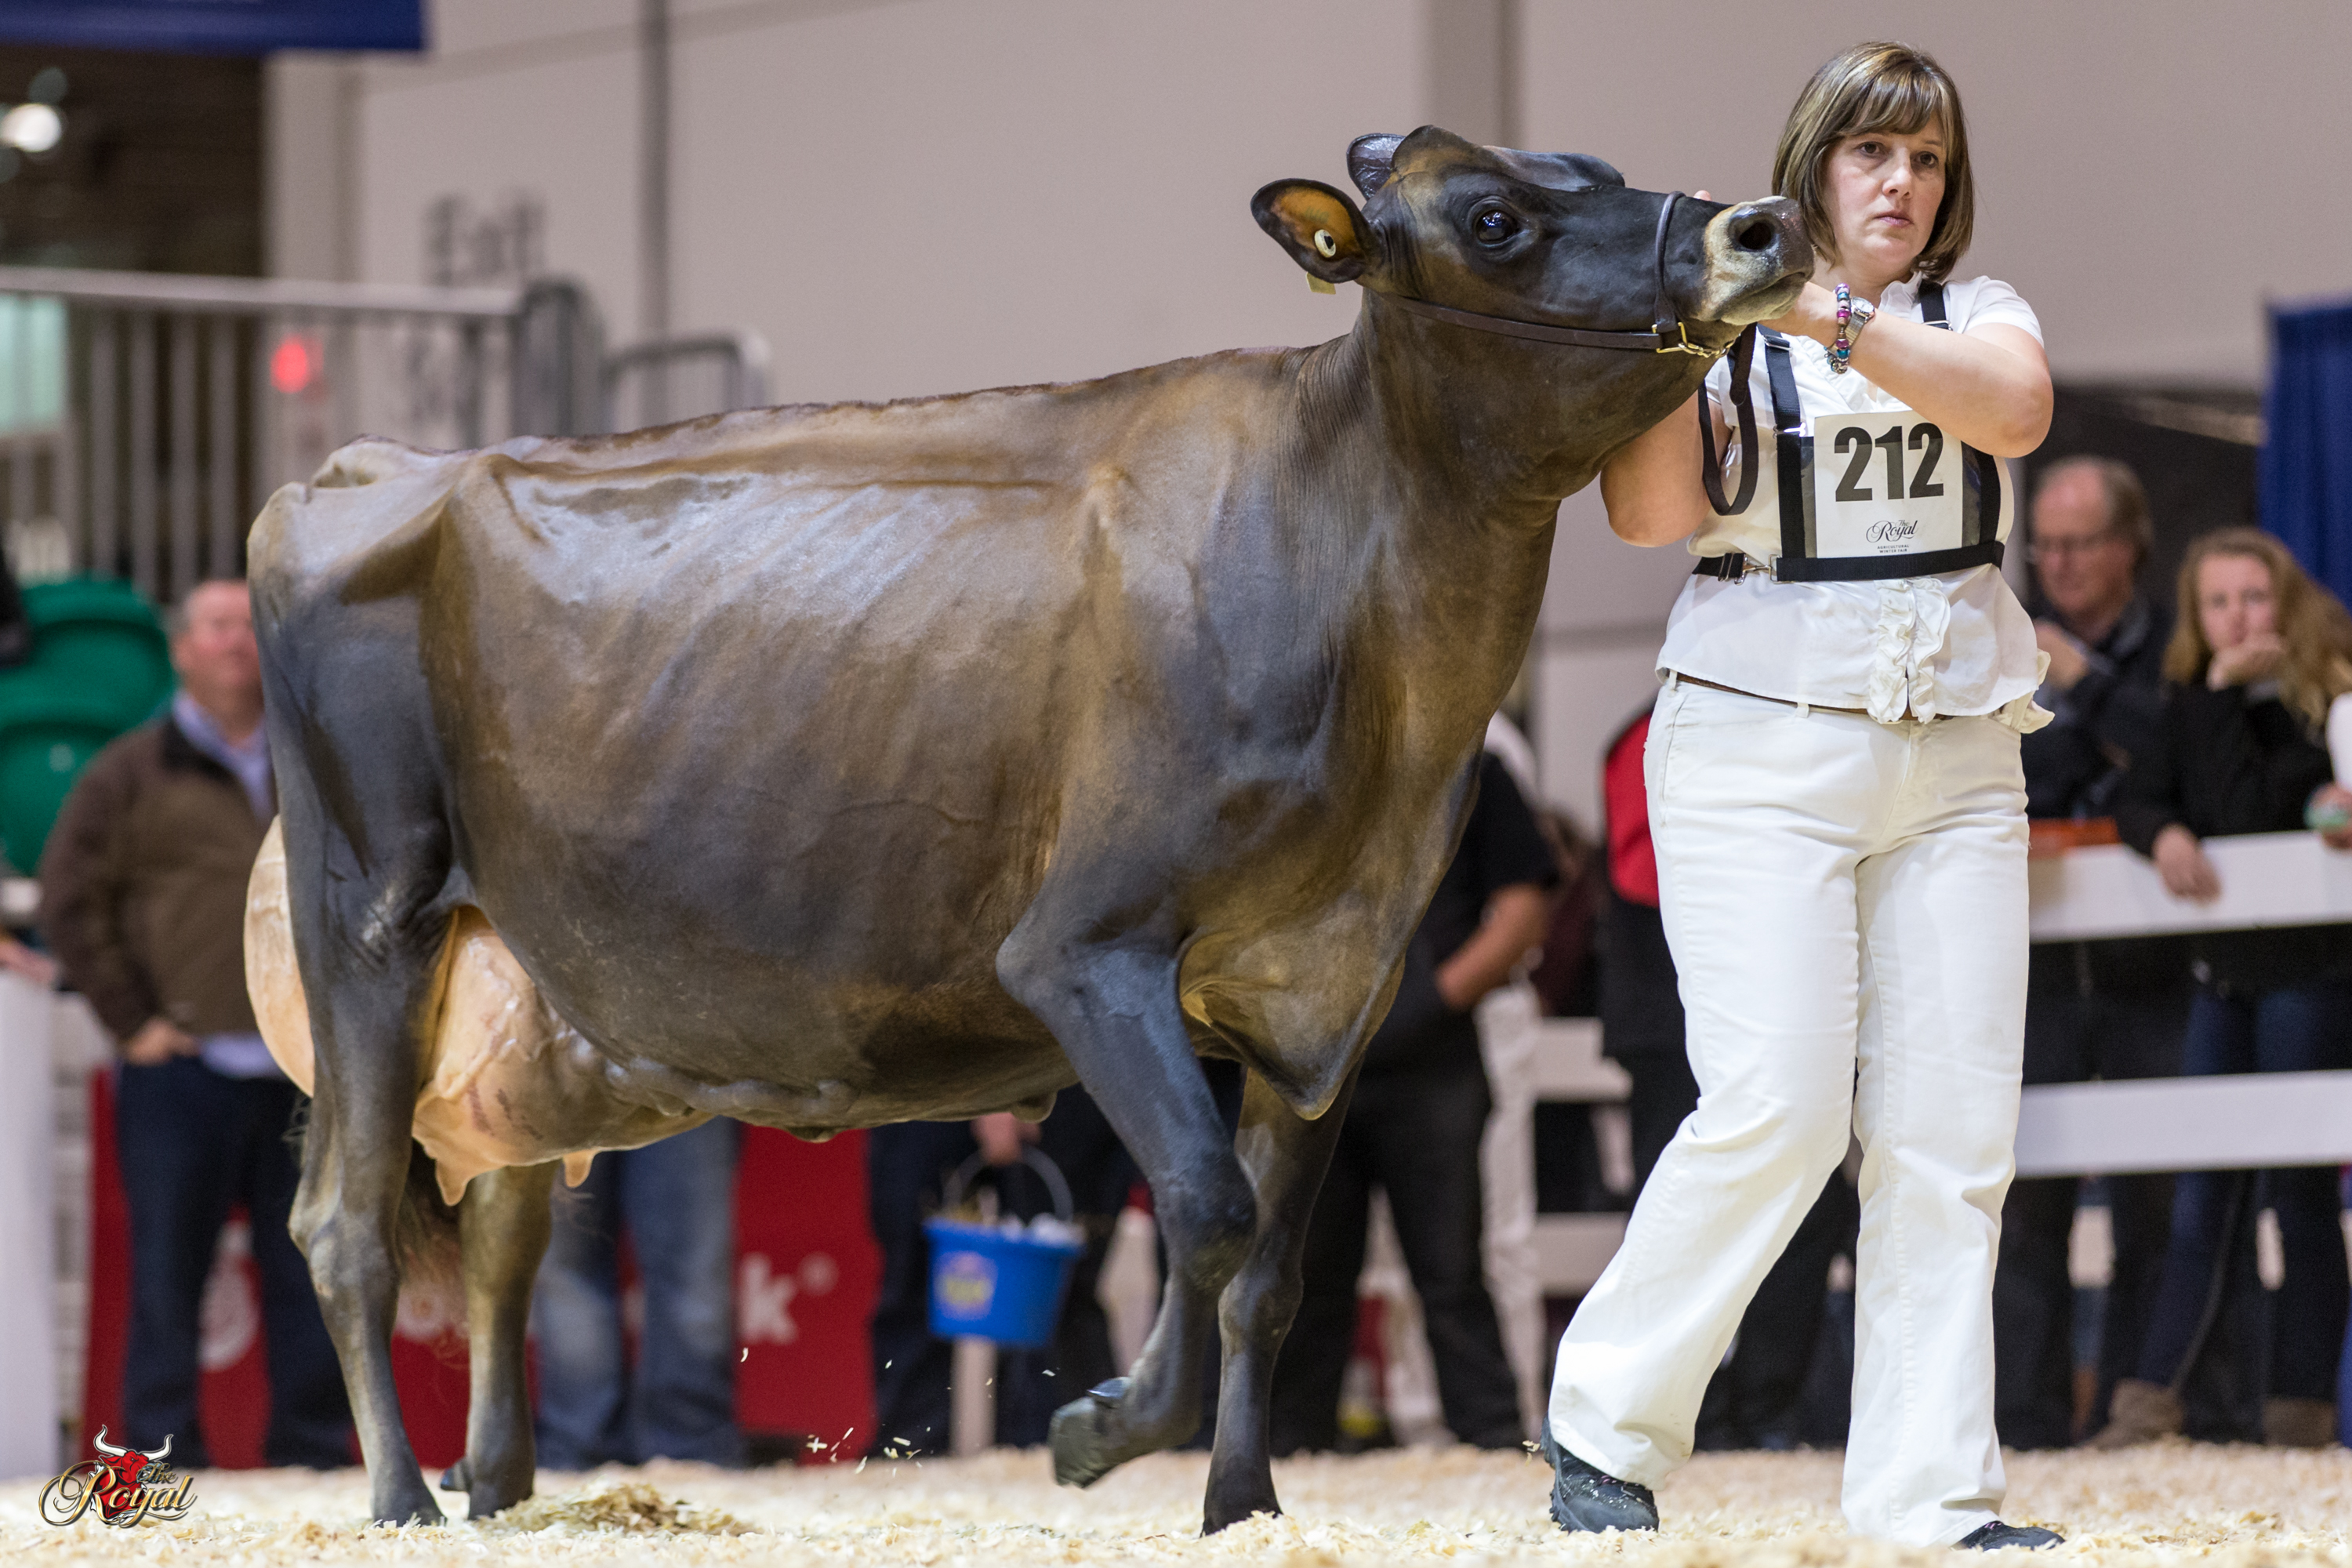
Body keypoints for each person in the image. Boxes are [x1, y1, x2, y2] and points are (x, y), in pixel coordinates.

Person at [1543, 43, 2061, 1548]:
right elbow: (1650, 515)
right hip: (1756, 752)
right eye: (1872, 153)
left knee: (1951, 1142)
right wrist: (1681, 335)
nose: (1903, 183)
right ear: (1815, 166)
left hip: (1958, 757)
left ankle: (1929, 1502)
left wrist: (1819, 308)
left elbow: (2016, 414)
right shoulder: (1730, 339)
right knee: (1775, 1106)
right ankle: (1605, 1425)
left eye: (1928, 159)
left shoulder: (1980, 314)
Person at [40, 579, 351, 1468]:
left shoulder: (320, 763)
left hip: (305, 1072)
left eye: (251, 625)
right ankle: (160, 1461)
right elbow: (68, 900)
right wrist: (132, 1020)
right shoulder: (130, 771)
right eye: (216, 625)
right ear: (179, 650)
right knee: (167, 1276)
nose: (236, 641)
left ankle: (314, 1457)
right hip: (180, 1069)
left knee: (315, 1272)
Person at [2091, 528, 2352, 1450]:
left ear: (2286, 602)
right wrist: (2160, 831)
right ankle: (2149, 1405)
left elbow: (2248, 807)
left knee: (2299, 1192)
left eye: (2252, 597)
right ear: (2195, 616)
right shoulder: (2189, 698)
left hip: (2307, 976)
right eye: (2217, 603)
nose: (2238, 619)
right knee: (2202, 1191)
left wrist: (2220, 702)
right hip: (2224, 978)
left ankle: (2301, 1413)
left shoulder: (2324, 704)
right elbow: (2140, 796)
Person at [1268, 746, 1556, 1454]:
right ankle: (1291, 1453)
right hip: (1312, 1059)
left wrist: (1431, 1001)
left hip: (1434, 1060)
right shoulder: (1284, 762)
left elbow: (1525, 906)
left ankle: (1491, 1444)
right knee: (1305, 1272)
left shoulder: (1468, 764)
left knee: (1453, 1269)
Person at [1596, 709, 1856, 1452]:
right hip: (1675, 1015)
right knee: (1683, 1208)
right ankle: (1688, 1409)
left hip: (1770, 1004)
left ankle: (1765, 1408)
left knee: (1807, 1207)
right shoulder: (1652, 732)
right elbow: (1645, 869)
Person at [1996, 458, 2189, 1447]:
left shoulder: (2179, 643)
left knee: (2156, 1203)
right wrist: (2099, 739)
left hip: (2153, 970)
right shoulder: (2004, 642)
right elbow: (2018, 772)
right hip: (2039, 971)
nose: (2059, 563)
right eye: (2046, 545)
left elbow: (2173, 752)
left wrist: (2082, 686)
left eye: (2079, 543)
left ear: (2129, 547)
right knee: (2028, 1202)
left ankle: (2128, 1414)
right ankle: (2025, 1424)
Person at [865, 1088, 1137, 1455]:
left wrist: (1008, 1095)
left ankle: (1061, 1451)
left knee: (1053, 1287)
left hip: (1047, 1078)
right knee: (915, 1275)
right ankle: (908, 1453)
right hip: (922, 1082)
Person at [532, 1120, 748, 1468]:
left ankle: (689, 1453)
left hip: (690, 1089)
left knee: (690, 1267)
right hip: (555, 1088)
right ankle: (581, 1450)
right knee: (568, 1269)